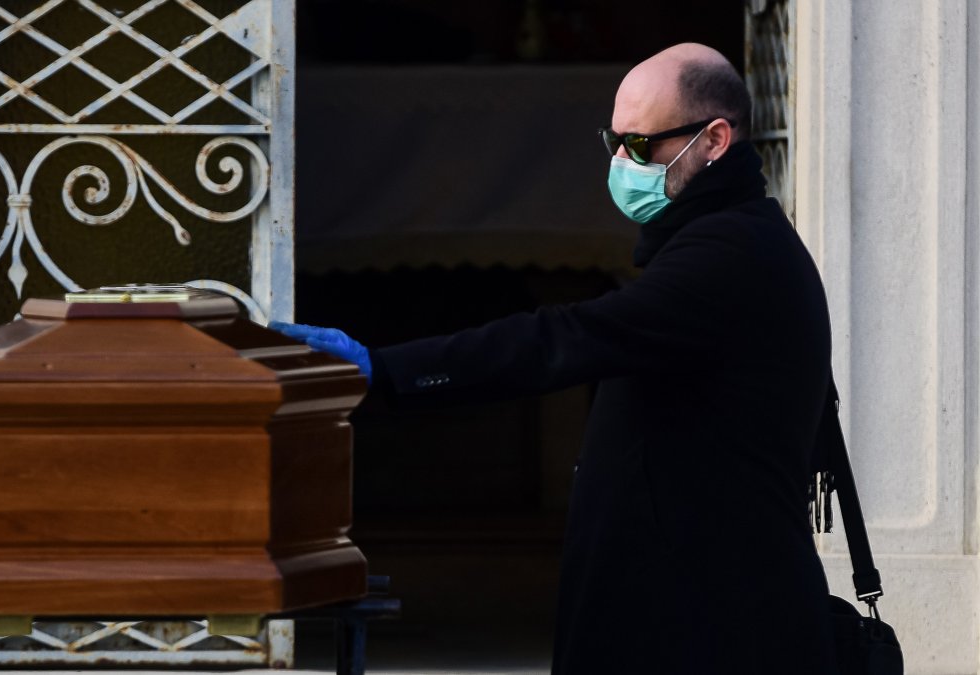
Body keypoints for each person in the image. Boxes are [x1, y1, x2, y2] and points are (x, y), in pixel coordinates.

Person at [273, 43, 837, 674]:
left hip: (711, 626)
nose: (623, 162)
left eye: (642, 144)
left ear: (714, 140)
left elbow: (562, 339)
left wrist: (386, 368)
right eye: (615, 141)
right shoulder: (735, 233)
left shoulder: (729, 254)